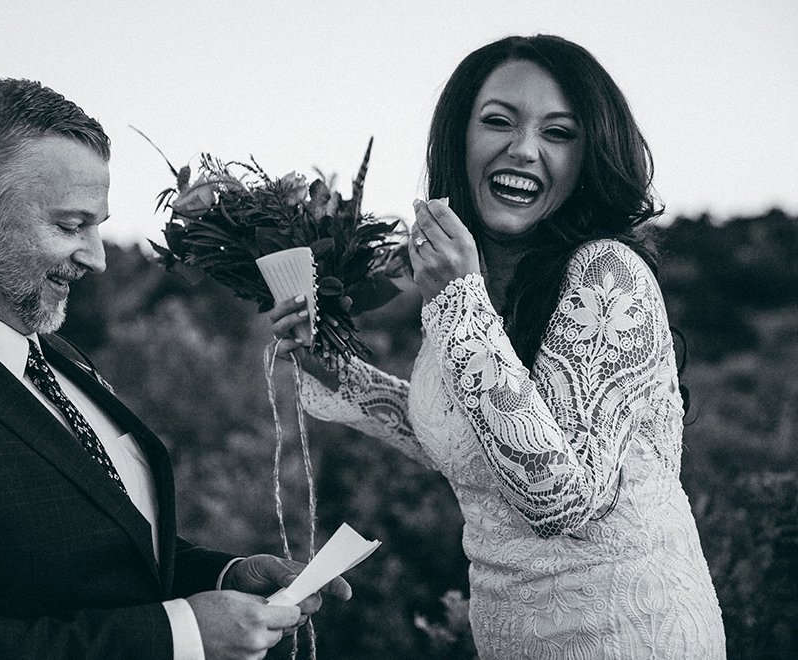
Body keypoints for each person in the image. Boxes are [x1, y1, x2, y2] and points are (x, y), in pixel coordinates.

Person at [0, 78, 349, 660]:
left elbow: (88, 547)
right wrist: (178, 636)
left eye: (97, 225)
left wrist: (220, 578)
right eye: (70, 226)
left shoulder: (53, 353)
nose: (98, 256)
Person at [270, 35, 725, 659]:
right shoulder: (472, 289)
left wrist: (459, 300)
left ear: (589, 157)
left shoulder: (607, 272)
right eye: (498, 122)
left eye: (559, 132)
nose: (524, 148)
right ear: (460, 138)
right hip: (512, 637)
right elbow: (470, 437)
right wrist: (329, 364)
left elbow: (558, 495)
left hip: (630, 633)